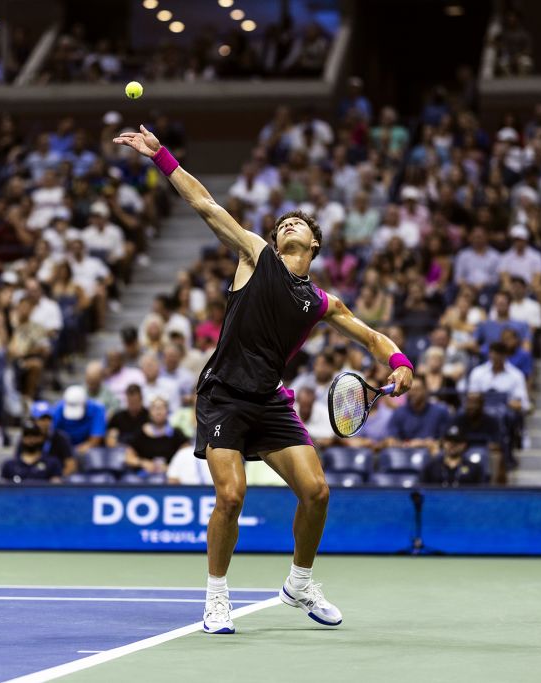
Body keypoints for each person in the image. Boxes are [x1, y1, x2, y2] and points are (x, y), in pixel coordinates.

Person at [114, 125, 412, 634]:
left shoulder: (321, 302)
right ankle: (216, 598)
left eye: (300, 223)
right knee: (231, 496)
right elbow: (206, 204)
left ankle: (299, 583)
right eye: (285, 222)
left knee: (317, 491)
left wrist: (401, 363)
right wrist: (160, 155)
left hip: (270, 400)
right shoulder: (257, 256)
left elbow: (370, 337)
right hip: (223, 395)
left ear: (314, 244)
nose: (290, 224)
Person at [1, 419, 63, 483]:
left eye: (34, 435)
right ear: (22, 438)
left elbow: (56, 488)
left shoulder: (52, 464)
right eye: (27, 435)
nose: (31, 439)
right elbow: (2, 489)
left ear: (41, 438)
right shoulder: (9, 465)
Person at [51, 385, 107, 455]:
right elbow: (52, 433)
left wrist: (83, 448)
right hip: (63, 447)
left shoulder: (98, 409)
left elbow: (96, 437)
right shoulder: (58, 408)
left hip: (86, 451)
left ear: (85, 403)